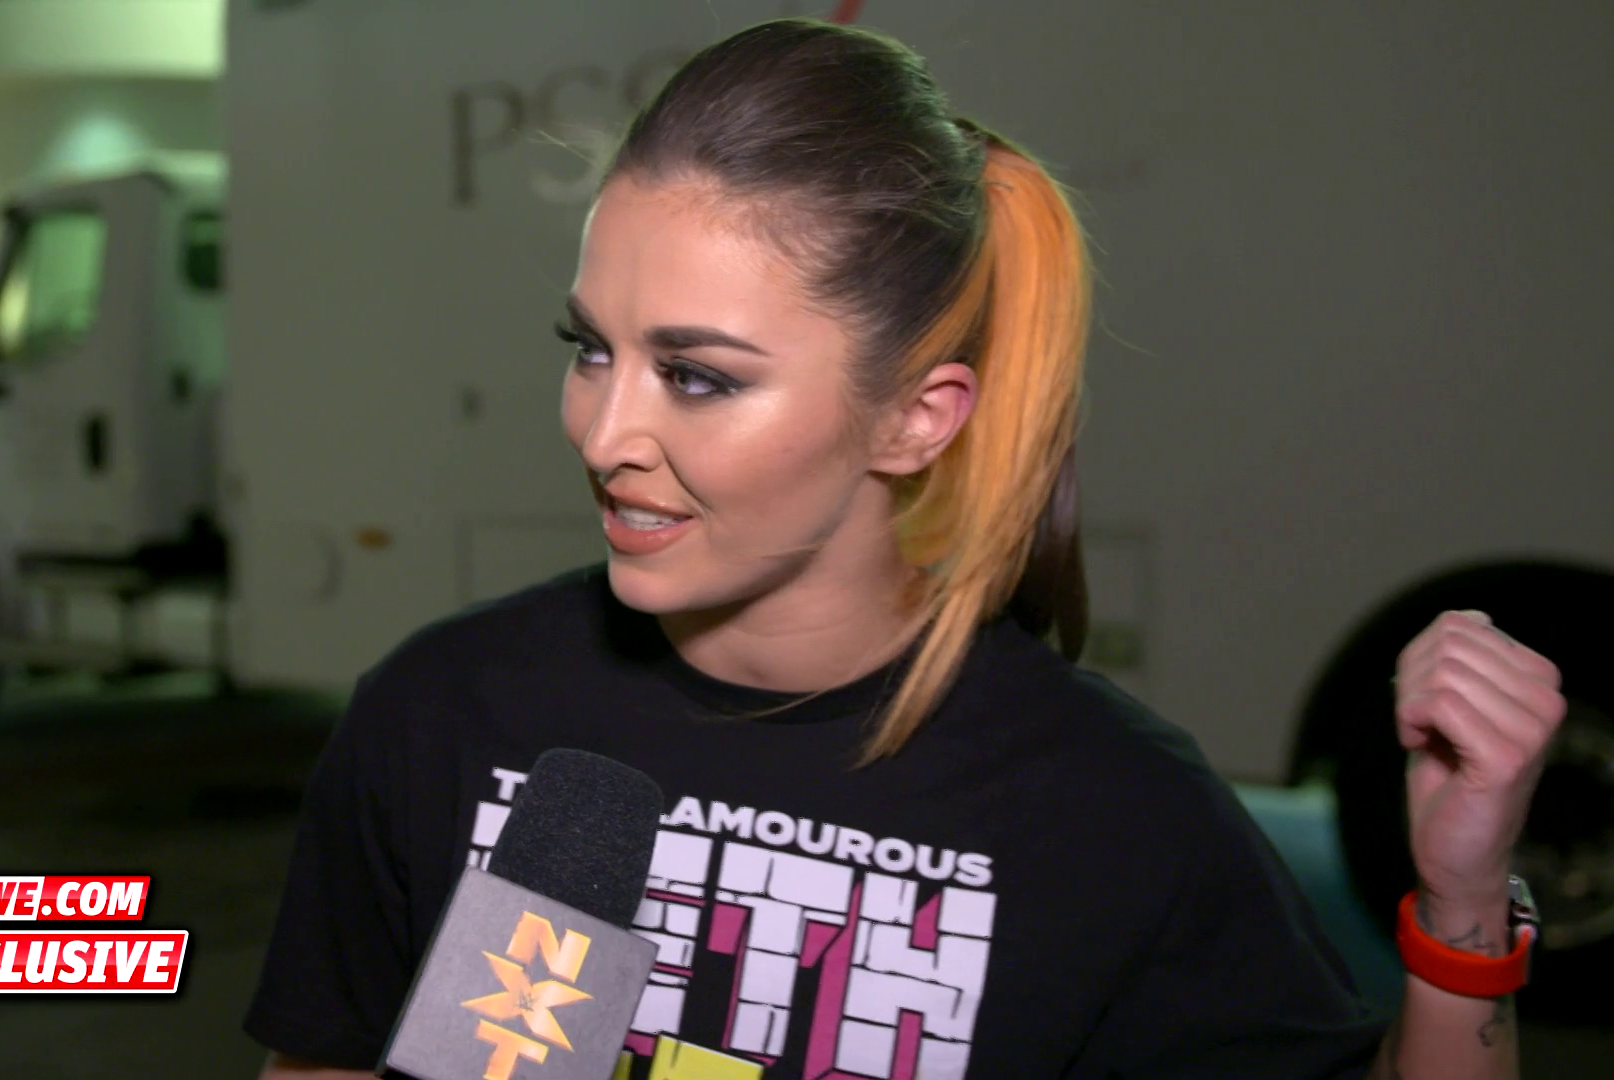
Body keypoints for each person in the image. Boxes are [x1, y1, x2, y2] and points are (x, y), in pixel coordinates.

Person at [244, 18, 1567, 1079]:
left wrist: (1460, 908)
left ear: (916, 418)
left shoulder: (1111, 816)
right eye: (591, 350)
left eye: (697, 376)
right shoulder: (444, 712)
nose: (604, 432)